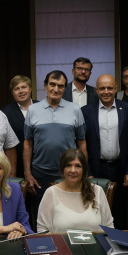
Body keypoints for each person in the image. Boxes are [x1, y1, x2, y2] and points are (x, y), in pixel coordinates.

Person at [81, 74, 128, 228]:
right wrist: (88, 171)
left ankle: (120, 240)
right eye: (102, 88)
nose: (106, 92)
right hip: (97, 168)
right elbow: (82, 143)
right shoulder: (86, 111)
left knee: (120, 211)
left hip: (121, 169)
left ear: (115, 89)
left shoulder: (127, 109)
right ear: (96, 90)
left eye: (109, 88)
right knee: (95, 209)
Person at [24, 70, 87, 201]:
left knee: (68, 209)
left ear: (65, 88)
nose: (56, 89)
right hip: (40, 172)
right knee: (41, 210)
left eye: (60, 86)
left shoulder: (75, 109)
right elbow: (28, 143)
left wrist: (84, 172)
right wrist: (27, 173)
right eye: (52, 84)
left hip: (68, 171)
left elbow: (82, 142)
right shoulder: (32, 109)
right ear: (46, 86)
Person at [37, 149, 113, 233]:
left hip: (96, 242)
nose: (73, 170)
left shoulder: (98, 191)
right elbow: (42, 230)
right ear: (62, 169)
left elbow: (109, 226)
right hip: (61, 242)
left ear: (84, 170)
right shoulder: (51, 193)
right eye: (68, 165)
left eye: (78, 166)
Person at [1, 75, 35, 178]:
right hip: (18, 165)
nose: (21, 91)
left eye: (24, 87)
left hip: (42, 163)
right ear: (12, 93)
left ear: (30, 89)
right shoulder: (5, 113)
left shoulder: (43, 107)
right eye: (17, 89)